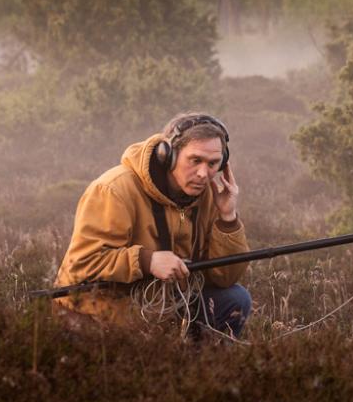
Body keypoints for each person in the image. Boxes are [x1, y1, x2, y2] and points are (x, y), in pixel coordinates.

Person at [55, 112, 252, 338]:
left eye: (213, 163)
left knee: (235, 299)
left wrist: (227, 218)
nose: (203, 174)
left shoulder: (208, 196)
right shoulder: (114, 190)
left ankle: (198, 360)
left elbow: (225, 277)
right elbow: (82, 264)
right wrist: (146, 261)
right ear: (167, 155)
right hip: (99, 311)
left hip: (162, 305)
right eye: (195, 160)